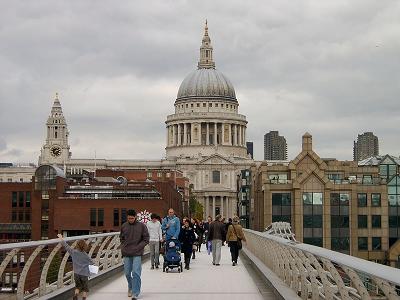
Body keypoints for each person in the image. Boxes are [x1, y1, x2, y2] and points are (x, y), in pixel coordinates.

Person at [120, 209, 149, 300]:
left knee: (136, 273)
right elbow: (121, 237)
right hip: (126, 252)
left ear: (135, 217)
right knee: (127, 273)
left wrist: (138, 247)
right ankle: (130, 286)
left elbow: (146, 239)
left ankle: (135, 293)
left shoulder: (142, 226)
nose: (130, 220)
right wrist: (123, 246)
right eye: (129, 218)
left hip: (137, 252)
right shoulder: (124, 226)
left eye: (132, 218)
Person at [57, 234, 93, 300]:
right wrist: (86, 264)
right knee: (85, 288)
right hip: (84, 274)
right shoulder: (86, 255)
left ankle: (76, 295)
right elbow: (91, 262)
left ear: (77, 245)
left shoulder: (73, 252)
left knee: (77, 286)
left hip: (76, 273)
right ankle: (84, 298)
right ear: (85, 246)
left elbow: (66, 246)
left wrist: (61, 238)